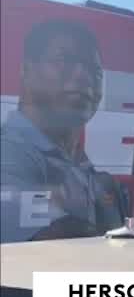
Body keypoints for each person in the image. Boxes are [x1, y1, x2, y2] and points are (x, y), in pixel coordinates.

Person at [1, 19, 126, 243]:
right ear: (26, 70)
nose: (84, 76)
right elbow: (57, 242)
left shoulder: (85, 168)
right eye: (62, 60)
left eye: (96, 71)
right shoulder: (9, 153)